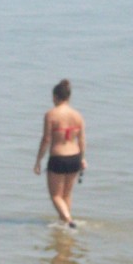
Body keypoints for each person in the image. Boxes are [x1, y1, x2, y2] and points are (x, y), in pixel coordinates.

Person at [34, 79, 87, 227]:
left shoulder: (51, 115)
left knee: (56, 196)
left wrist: (38, 160)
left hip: (58, 158)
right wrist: (83, 158)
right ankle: (64, 224)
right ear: (68, 97)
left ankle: (69, 222)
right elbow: (82, 140)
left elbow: (46, 139)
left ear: (55, 97)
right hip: (75, 157)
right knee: (66, 195)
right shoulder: (78, 115)